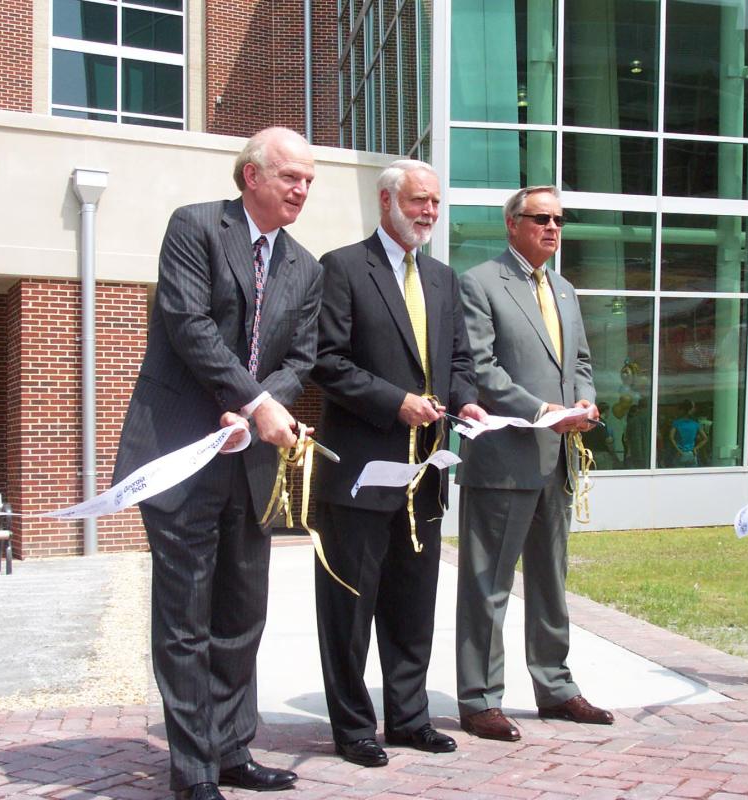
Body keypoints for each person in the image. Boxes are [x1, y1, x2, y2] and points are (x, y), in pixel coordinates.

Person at [112, 127, 322, 800]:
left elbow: (301, 358)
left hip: (250, 464)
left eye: (310, 180)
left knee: (241, 615)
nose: (302, 189)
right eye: (291, 176)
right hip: (179, 454)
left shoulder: (306, 267)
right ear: (251, 176)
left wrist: (262, 407)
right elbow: (189, 324)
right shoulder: (196, 228)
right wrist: (253, 400)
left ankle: (233, 751)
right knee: (185, 618)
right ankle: (194, 771)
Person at [311, 160, 486, 767]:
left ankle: (409, 719)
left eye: (435, 203)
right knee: (349, 611)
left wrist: (465, 403)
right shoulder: (341, 267)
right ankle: (353, 728)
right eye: (418, 201)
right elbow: (325, 361)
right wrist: (396, 403)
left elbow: (457, 362)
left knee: (413, 605)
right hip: (360, 474)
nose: (429, 213)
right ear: (386, 201)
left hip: (427, 472)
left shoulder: (442, 278)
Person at [455, 185, 610, 743]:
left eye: (559, 219)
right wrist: (544, 410)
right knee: (487, 585)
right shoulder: (478, 283)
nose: (552, 227)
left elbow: (583, 362)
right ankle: (478, 700)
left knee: (551, 582)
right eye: (541, 218)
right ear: (512, 225)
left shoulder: (564, 289)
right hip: (503, 459)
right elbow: (481, 367)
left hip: (557, 461)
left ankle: (557, 688)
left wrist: (584, 403)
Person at [669, 399, 705, 467]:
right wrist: (695, 448)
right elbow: (705, 438)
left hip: (680, 453)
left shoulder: (677, 423)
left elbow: (671, 438)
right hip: (692, 453)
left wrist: (678, 450)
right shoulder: (695, 423)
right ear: (691, 410)